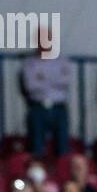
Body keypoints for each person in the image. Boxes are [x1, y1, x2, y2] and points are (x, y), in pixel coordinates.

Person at [20, 26, 72, 159]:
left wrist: (43, 77)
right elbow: (30, 85)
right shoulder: (29, 63)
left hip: (58, 106)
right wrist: (53, 79)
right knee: (37, 146)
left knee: (62, 146)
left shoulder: (61, 59)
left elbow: (65, 82)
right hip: (38, 106)